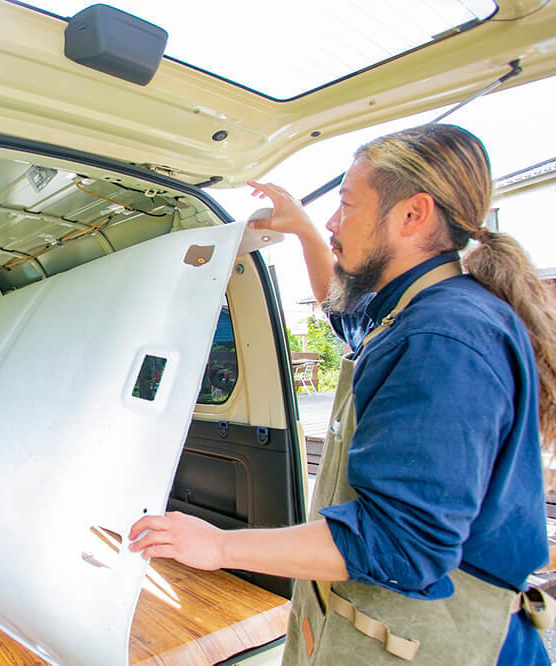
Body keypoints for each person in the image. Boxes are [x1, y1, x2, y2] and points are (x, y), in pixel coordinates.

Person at [129, 124, 556, 664]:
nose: (335, 222)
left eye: (347, 206)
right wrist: (307, 232)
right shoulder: (413, 315)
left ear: (412, 215)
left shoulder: (442, 339)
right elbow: (347, 316)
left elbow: (399, 541)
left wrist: (219, 546)